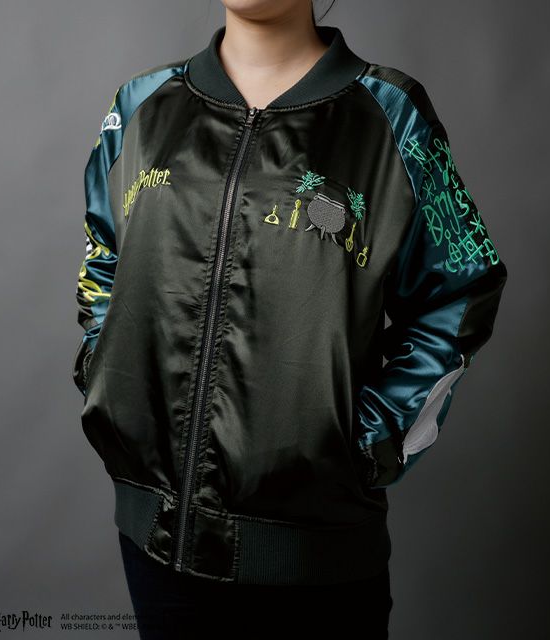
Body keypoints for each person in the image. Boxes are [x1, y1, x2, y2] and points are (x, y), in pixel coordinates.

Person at [72, 1, 508, 638]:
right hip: (156, 544)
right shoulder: (142, 105)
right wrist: (102, 369)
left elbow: (460, 289)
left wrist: (369, 440)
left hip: (318, 565)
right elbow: (105, 255)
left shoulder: (390, 115)